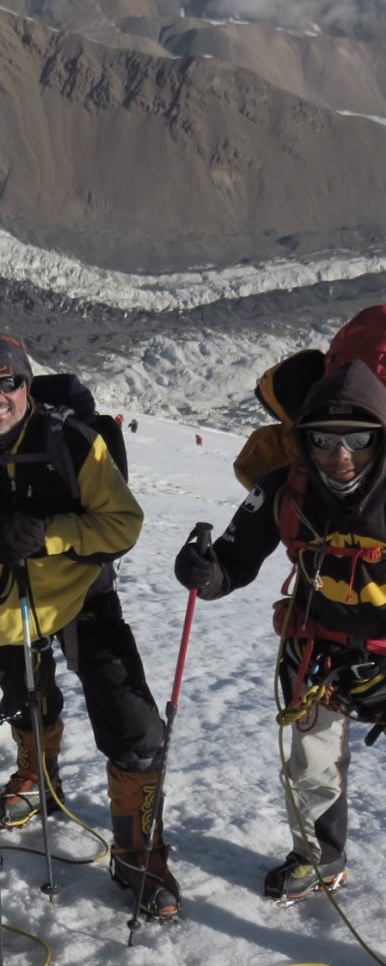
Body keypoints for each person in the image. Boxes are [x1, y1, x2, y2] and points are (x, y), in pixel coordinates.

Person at [0, 332, 180, 918]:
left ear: (26, 384)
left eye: (7, 382)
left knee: (133, 722)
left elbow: (122, 525)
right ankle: (39, 779)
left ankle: (138, 852)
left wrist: (49, 533)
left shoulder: (74, 443)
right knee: (26, 704)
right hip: (6, 610)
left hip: (83, 596)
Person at [174, 358, 386, 902]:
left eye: (359, 439)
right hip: (318, 650)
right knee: (311, 767)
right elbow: (235, 557)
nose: (341, 456)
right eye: (323, 440)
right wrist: (206, 572)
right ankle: (320, 859)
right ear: (303, 438)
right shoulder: (284, 489)